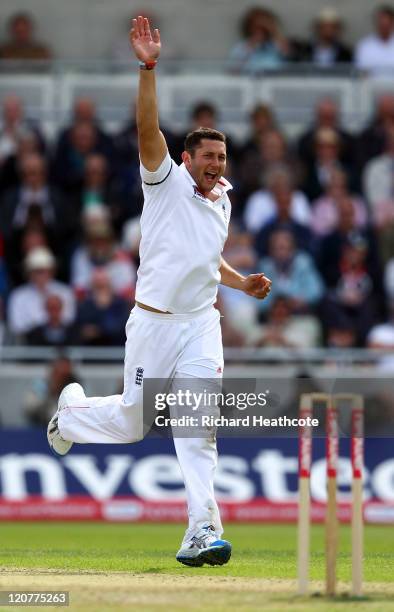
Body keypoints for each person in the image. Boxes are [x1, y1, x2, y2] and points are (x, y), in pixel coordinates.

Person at [47, 15, 271, 568]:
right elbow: (149, 131)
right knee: (132, 425)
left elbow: (204, 257)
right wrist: (148, 69)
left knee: (198, 432)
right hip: (152, 323)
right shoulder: (164, 181)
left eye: (222, 158)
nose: (217, 166)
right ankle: (69, 415)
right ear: (187, 159)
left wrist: (239, 282)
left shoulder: (222, 198)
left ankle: (201, 532)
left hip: (200, 324)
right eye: (208, 158)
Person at [355, 5, 394, 76]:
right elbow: (362, 73)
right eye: (381, 24)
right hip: (371, 86)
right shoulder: (365, 46)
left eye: (387, 24)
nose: (384, 27)